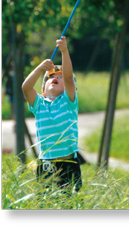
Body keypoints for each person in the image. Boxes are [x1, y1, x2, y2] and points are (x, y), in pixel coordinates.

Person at [22, 36, 82, 193]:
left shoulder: (68, 102)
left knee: (69, 205)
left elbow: (69, 78)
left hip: (68, 163)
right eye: (51, 77)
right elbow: (26, 88)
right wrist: (40, 69)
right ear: (43, 90)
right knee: (46, 204)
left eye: (60, 77)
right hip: (46, 164)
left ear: (71, 89)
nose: (56, 78)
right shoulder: (39, 104)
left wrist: (64, 50)